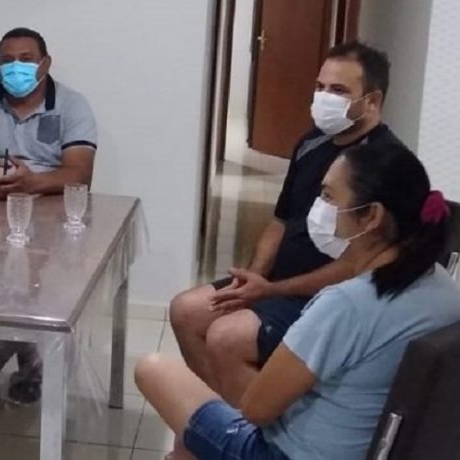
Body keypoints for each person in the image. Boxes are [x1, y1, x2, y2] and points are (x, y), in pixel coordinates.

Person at [137, 142, 460, 460]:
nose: (319, 208)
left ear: (371, 216)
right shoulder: (445, 288)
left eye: (329, 196)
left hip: (284, 453)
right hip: (365, 447)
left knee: (153, 369)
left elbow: (256, 410)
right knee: (187, 444)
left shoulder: (347, 304)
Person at [168, 41, 405, 404]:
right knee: (186, 311)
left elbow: (358, 266)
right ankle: (230, 418)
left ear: (372, 101)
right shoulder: (311, 143)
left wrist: (273, 291)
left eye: (338, 90)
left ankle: (258, 428)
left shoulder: (385, 166)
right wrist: (251, 280)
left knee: (225, 337)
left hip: (327, 299)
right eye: (320, 87)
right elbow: (280, 221)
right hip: (276, 284)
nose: (324, 98)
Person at [0, 27, 97, 404]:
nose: (16, 67)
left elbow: (80, 173)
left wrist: (32, 182)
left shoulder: (72, 104)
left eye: (26, 59)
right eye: (7, 60)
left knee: (35, 280)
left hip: (49, 207)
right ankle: (27, 362)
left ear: (45, 64)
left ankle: (0, 360)